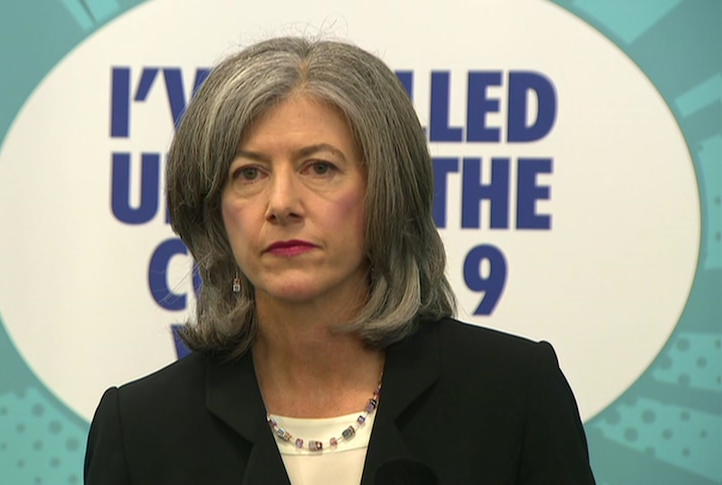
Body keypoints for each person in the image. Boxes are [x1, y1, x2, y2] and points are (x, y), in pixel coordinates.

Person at [84, 36, 595, 484]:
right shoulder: (141, 428)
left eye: (320, 167)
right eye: (248, 174)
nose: (281, 203)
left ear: (386, 193)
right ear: (214, 210)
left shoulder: (514, 394)